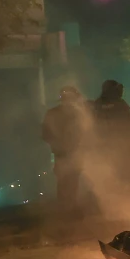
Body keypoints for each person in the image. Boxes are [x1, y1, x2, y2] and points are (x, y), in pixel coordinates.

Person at [42, 86, 88, 216]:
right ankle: (67, 209)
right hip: (64, 153)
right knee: (67, 181)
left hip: (68, 153)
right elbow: (46, 134)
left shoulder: (58, 113)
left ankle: (68, 208)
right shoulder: (74, 114)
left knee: (69, 181)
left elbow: (83, 132)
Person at [92, 79, 130, 185]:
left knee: (111, 164)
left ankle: (114, 188)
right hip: (122, 140)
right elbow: (128, 121)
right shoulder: (120, 103)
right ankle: (127, 187)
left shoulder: (98, 103)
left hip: (107, 140)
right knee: (125, 163)